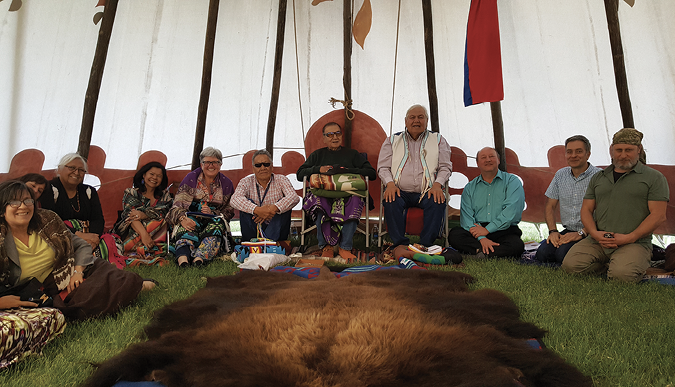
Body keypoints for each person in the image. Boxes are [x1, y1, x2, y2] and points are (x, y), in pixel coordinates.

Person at [0, 180, 155, 320]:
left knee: (100, 272)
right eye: (14, 202)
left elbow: (80, 245)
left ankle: (130, 285)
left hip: (71, 268)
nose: (23, 206)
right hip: (43, 288)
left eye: (28, 200)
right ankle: (130, 287)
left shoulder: (47, 220)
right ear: (2, 210)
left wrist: (78, 271)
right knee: (82, 299)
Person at [561, 128, 669, 282]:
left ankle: (622, 265)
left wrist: (630, 237)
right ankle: (611, 265)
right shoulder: (599, 177)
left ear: (639, 150)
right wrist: (594, 233)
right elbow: (586, 209)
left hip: (635, 242)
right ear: (611, 150)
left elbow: (658, 215)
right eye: (619, 150)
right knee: (570, 267)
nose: (623, 155)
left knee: (622, 276)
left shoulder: (654, 178)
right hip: (598, 240)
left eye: (629, 150)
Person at [297, 122, 376, 259]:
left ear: (342, 136)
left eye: (338, 133)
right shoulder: (317, 155)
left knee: (356, 200)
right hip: (323, 194)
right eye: (330, 134)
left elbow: (371, 173)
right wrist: (318, 169)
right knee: (319, 203)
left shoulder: (352, 155)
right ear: (324, 138)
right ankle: (325, 246)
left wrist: (348, 171)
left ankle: (345, 247)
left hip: (348, 194)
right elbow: (300, 174)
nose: (335, 137)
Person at [377, 104, 452, 247]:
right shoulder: (392, 140)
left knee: (437, 201)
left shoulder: (438, 140)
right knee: (391, 200)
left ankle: (425, 245)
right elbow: (383, 167)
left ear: (427, 121)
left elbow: (445, 167)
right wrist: (390, 184)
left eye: (420, 117)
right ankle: (400, 245)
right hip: (399, 190)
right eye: (412, 117)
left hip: (428, 190)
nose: (416, 121)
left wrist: (437, 185)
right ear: (406, 121)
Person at [534, 135, 602, 265]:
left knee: (562, 255)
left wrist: (582, 233)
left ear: (588, 154)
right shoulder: (560, 175)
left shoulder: (599, 176)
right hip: (568, 230)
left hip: (591, 232)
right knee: (542, 254)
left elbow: (605, 210)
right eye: (569, 152)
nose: (573, 155)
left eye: (579, 151)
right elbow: (550, 206)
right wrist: (553, 231)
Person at [448, 147, 525, 259]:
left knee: (517, 245)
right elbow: (467, 218)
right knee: (455, 235)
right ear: (478, 163)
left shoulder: (512, 182)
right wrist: (482, 237)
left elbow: (510, 213)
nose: (488, 160)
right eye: (483, 158)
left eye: (491, 156)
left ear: (498, 160)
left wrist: (487, 230)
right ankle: (487, 252)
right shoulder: (470, 187)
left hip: (504, 229)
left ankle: (478, 252)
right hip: (478, 229)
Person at [167, 147, 234, 267]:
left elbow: (229, 211)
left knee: (217, 225)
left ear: (220, 164)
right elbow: (177, 206)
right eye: (207, 162)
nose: (211, 165)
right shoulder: (191, 179)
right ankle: (183, 261)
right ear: (201, 164)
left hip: (213, 220)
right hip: (191, 217)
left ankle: (199, 259)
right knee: (186, 227)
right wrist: (183, 219)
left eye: (215, 162)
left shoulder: (226, 184)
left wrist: (212, 213)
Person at [38, 153, 104, 251]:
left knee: (108, 243)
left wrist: (93, 238)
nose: (76, 173)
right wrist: (79, 235)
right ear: (59, 169)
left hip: (88, 236)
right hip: (59, 235)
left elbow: (98, 220)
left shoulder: (89, 191)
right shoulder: (49, 189)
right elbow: (49, 220)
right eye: (72, 168)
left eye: (81, 170)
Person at [112, 161, 173, 266]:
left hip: (157, 233)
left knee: (160, 221)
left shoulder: (165, 196)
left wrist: (143, 214)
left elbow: (164, 212)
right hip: (132, 230)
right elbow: (130, 216)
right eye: (152, 174)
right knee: (136, 219)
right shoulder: (131, 193)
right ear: (144, 175)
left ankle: (148, 250)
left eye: (159, 176)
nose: (154, 178)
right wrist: (144, 235)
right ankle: (136, 249)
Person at [231, 150, 299, 242]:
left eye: (266, 164)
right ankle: (252, 243)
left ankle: (269, 244)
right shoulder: (246, 181)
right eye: (258, 165)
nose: (263, 168)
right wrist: (257, 210)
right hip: (254, 226)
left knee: (282, 205)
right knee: (246, 204)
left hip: (276, 228)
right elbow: (234, 199)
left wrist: (273, 209)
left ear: (271, 166)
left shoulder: (281, 179)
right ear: (253, 168)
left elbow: (294, 197)